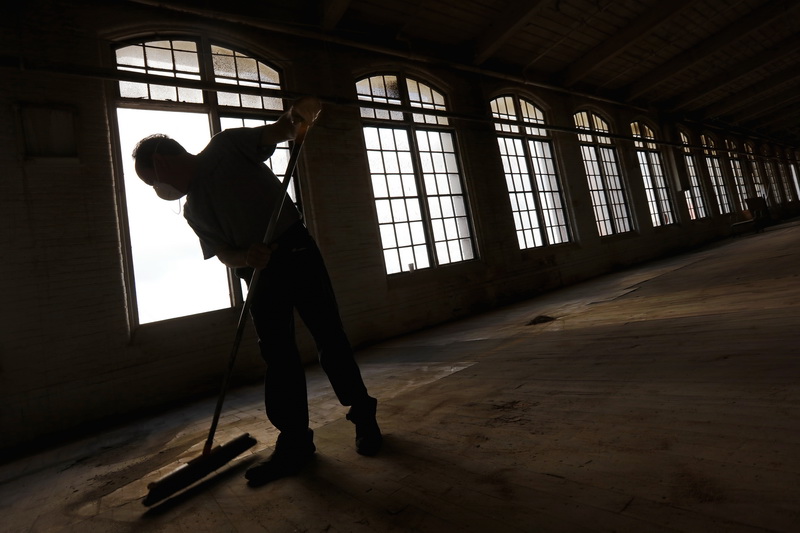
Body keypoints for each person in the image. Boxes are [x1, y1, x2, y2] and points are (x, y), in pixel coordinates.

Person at [132, 96, 382, 486]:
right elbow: (223, 255)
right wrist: (245, 254)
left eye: (154, 179)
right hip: (258, 273)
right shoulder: (193, 209)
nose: (159, 187)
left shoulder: (227, 145)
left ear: (162, 162)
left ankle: (364, 416)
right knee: (278, 355)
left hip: (295, 250)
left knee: (328, 335)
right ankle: (295, 441)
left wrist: (297, 116)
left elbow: (281, 130)